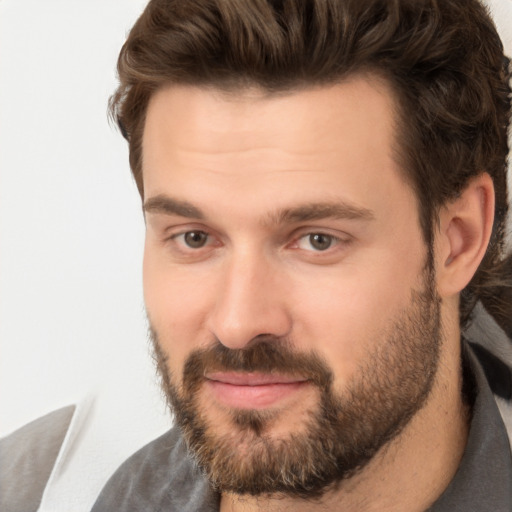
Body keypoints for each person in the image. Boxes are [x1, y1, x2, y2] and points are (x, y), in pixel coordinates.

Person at [92, 0, 512, 510]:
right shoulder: (29, 487)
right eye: (194, 238)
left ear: (458, 239)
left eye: (317, 240)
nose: (238, 324)